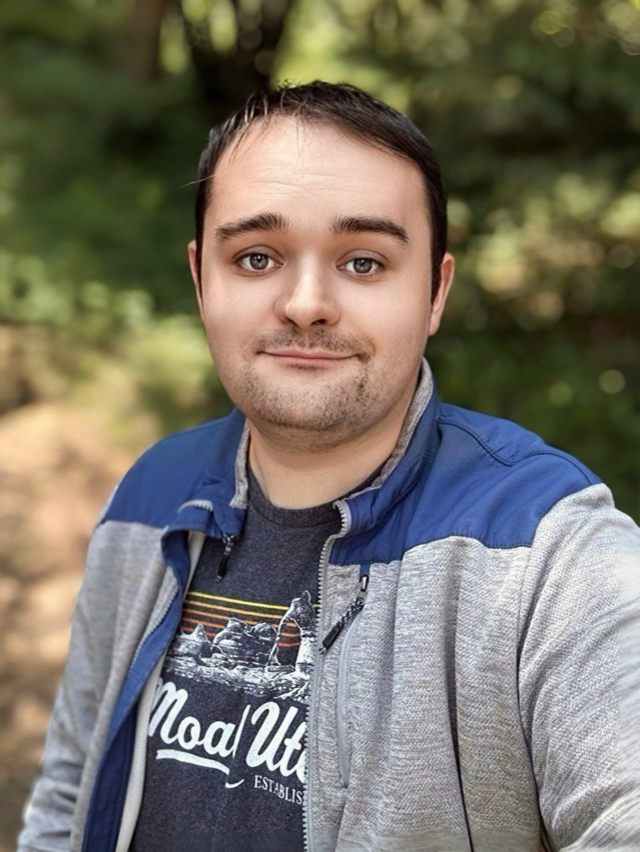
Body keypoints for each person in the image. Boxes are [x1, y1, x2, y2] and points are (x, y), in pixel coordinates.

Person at [18, 81, 640, 852]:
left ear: (435, 292)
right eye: (256, 257)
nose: (306, 303)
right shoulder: (150, 497)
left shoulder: (546, 549)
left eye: (365, 262)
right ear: (201, 279)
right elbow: (70, 793)